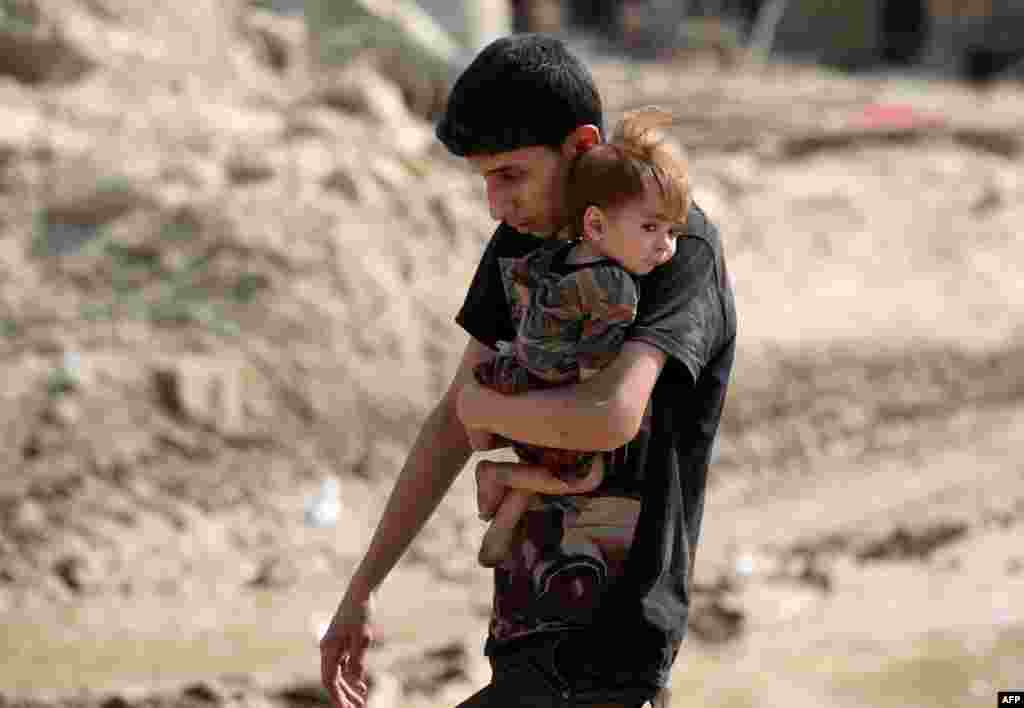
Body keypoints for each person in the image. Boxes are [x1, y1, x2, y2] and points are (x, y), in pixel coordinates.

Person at [319, 33, 736, 708]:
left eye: (510, 175)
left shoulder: (668, 242)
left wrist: (487, 412)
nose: (495, 205)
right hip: (525, 635)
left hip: (616, 655)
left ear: (580, 145)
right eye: (485, 180)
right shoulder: (522, 244)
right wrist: (361, 591)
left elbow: (611, 415)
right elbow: (449, 422)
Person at [472, 106, 691, 569]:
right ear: (595, 224)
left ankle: (506, 508)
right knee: (585, 472)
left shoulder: (557, 253)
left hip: (511, 376)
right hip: (546, 394)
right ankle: (499, 476)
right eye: (650, 228)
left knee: (556, 466)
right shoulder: (618, 288)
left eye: (672, 232)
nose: (666, 248)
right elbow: (597, 370)